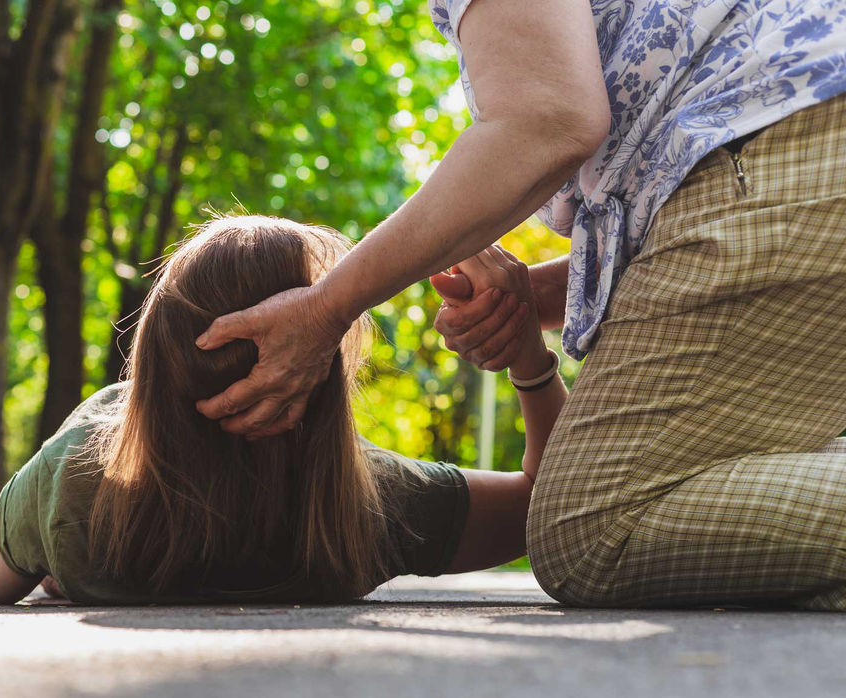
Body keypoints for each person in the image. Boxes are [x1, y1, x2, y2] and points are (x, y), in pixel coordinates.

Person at [192, 0, 846, 608]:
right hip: (802, 132)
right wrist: (527, 305)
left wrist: (328, 306)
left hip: (786, 136)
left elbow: (549, 118)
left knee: (591, 531)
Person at [0, 216, 565, 604]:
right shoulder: (369, 504)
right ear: (318, 373)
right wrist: (531, 363)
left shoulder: (80, 481)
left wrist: (57, 544)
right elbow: (550, 507)